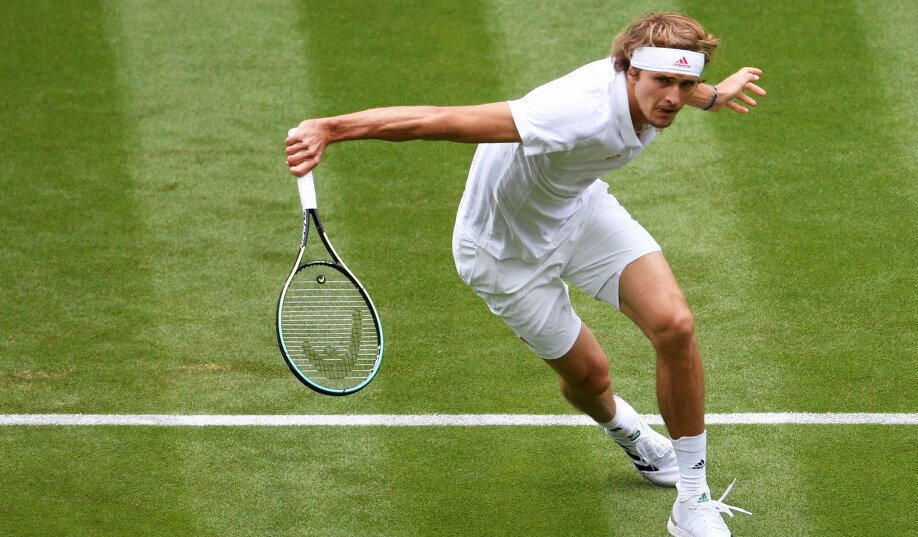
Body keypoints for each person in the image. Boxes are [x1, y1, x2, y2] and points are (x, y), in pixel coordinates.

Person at [286, 12, 764, 537]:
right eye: (662, 82)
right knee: (590, 379)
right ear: (629, 72)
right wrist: (332, 128)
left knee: (675, 325)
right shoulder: (568, 113)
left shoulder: (659, 88)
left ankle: (692, 502)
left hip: (578, 213)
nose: (674, 97)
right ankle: (627, 431)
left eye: (685, 82)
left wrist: (713, 95)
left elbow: (677, 87)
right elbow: (440, 120)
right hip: (502, 253)